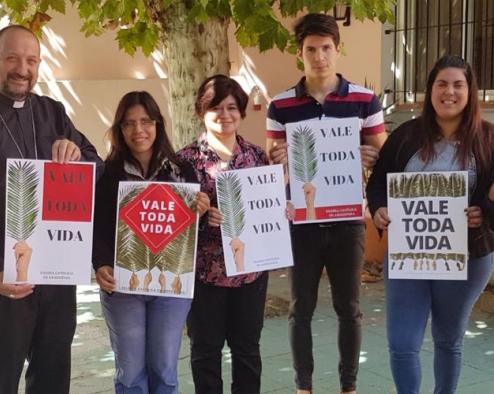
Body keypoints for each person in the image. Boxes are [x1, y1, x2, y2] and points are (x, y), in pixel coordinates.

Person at [0, 25, 103, 393]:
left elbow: (97, 165)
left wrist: (76, 155)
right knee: (0, 380)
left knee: (52, 377)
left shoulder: (52, 112)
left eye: (31, 60)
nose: (22, 68)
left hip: (57, 275)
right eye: (12, 57)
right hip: (2, 278)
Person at [265, 13, 387, 394]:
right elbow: (273, 163)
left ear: (338, 49)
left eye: (326, 48)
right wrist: (278, 159)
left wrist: (369, 157)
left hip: (348, 220)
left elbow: (380, 156)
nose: (319, 56)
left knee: (348, 309)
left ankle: (348, 386)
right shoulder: (280, 105)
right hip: (301, 222)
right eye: (311, 49)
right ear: (299, 53)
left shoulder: (365, 100)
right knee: (299, 308)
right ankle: (305, 387)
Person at [367, 55, 494, 394]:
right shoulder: (406, 135)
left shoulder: (488, 139)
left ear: (470, 92)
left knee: (448, 339)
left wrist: (484, 212)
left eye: (458, 84)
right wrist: (379, 209)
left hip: (467, 257)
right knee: (403, 342)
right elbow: (378, 183)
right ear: (430, 90)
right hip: (408, 256)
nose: (449, 92)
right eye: (442, 84)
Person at [93, 91, 209, 393]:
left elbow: (194, 232)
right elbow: (97, 228)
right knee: (130, 373)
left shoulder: (182, 171)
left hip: (170, 285)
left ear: (158, 124)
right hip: (122, 285)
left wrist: (202, 210)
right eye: (129, 124)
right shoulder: (107, 175)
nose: (138, 130)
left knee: (164, 370)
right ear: (119, 130)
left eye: (146, 121)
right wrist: (100, 263)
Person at [176, 74, 269, 394]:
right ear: (201, 112)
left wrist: (281, 212)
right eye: (216, 107)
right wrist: (199, 216)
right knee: (205, 352)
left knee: (247, 350)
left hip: (250, 272)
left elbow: (269, 207)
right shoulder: (184, 161)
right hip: (205, 273)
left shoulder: (257, 157)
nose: (225, 115)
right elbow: (171, 223)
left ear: (242, 112)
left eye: (232, 107)